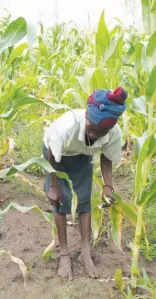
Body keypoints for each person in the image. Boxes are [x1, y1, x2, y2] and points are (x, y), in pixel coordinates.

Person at [43, 87, 127, 280]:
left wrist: (108, 185)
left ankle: (85, 252)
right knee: (60, 201)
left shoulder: (112, 133)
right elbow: (50, 155)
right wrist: (54, 186)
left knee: (84, 201)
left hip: (81, 155)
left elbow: (107, 156)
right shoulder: (66, 127)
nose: (94, 135)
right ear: (87, 116)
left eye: (101, 132)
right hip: (56, 155)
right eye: (91, 128)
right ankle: (64, 255)